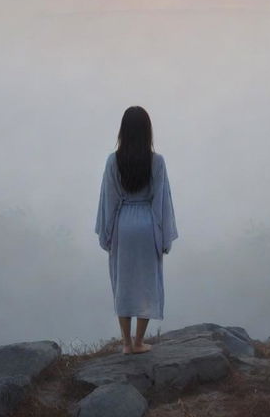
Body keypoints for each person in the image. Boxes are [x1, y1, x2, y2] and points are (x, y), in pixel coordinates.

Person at [95, 106, 178, 355]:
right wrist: (162, 236)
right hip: (147, 223)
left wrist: (107, 233)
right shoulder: (157, 161)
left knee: (123, 282)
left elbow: (108, 199)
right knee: (147, 282)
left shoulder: (113, 160)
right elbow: (161, 200)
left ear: (123, 131)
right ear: (147, 131)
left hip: (123, 223)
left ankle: (127, 344)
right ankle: (140, 341)